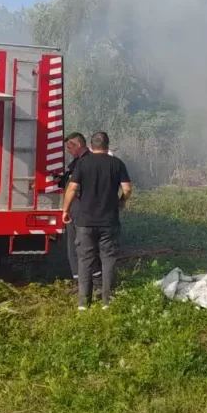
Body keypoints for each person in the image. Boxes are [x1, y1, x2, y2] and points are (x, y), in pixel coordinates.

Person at [61, 131, 132, 310]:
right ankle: (107, 302)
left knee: (85, 260)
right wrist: (121, 202)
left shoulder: (83, 163)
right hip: (109, 221)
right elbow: (128, 188)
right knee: (108, 260)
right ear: (107, 145)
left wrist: (65, 210)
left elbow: (72, 189)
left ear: (91, 146)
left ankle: (84, 304)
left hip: (85, 222)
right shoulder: (117, 163)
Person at [57, 132, 100, 288]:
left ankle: (94, 281)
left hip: (82, 211)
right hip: (77, 210)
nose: (68, 150)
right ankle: (81, 281)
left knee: (83, 247)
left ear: (78, 145)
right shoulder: (77, 162)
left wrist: (65, 210)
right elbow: (70, 181)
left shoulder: (87, 162)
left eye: (69, 147)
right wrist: (60, 180)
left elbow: (76, 187)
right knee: (75, 248)